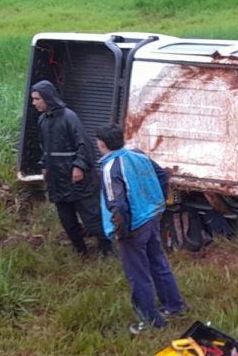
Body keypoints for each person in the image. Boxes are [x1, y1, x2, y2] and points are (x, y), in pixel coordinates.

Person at [95, 123, 187, 335]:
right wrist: (157, 201)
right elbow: (162, 175)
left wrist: (122, 232)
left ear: (101, 143)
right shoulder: (137, 154)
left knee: (138, 274)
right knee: (158, 262)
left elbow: (116, 205)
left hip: (133, 226)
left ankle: (151, 321)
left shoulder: (110, 168)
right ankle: (175, 306)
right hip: (152, 217)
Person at [31, 80, 112, 258]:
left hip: (77, 179)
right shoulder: (42, 120)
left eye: (37, 99)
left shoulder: (69, 117)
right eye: (33, 99)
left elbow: (84, 145)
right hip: (57, 179)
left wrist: (79, 166)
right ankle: (80, 250)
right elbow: (44, 147)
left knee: (92, 217)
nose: (34, 103)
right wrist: (44, 165)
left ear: (47, 98)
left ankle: (106, 250)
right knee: (67, 219)